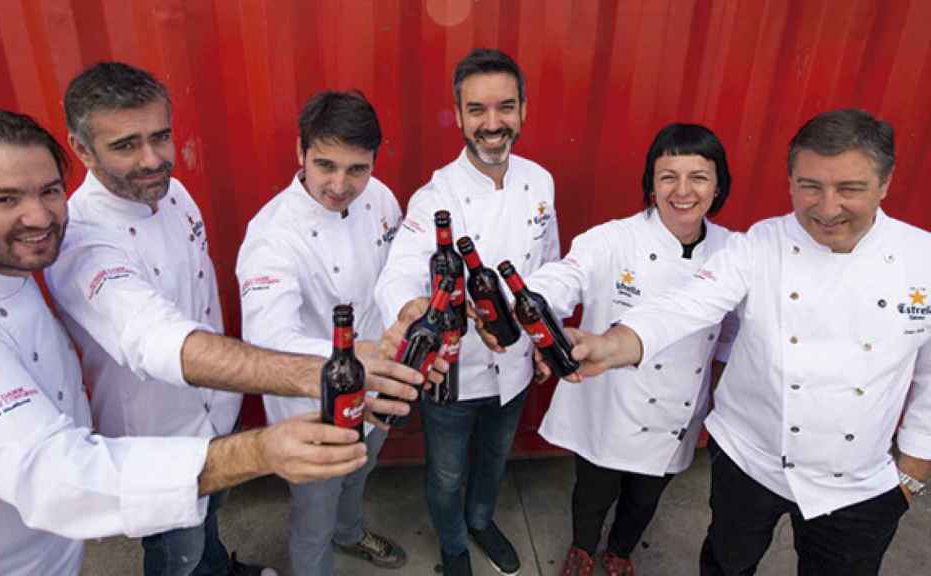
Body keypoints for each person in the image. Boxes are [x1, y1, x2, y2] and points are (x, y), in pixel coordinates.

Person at [0, 108, 375, 575]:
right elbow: (59, 471)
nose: (38, 215)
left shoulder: (6, 255)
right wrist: (265, 443)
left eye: (49, 191)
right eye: (4, 199)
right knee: (177, 551)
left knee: (205, 521)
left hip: (195, 431)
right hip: (4, 554)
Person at [45, 62, 420, 576]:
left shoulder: (173, 194)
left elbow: (391, 273)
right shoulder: (84, 240)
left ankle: (262, 556)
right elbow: (158, 338)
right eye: (126, 145)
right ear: (82, 149)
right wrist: (352, 369)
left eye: (160, 137)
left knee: (217, 522)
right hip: (162, 434)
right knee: (180, 549)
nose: (152, 159)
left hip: (230, 415)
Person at [566, 109, 931, 575]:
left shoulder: (922, 260)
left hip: (857, 486)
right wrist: (616, 345)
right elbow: (688, 304)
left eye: (850, 188)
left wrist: (910, 476)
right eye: (810, 185)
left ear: (885, 183)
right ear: (790, 180)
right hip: (748, 461)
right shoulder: (761, 244)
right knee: (724, 565)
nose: (826, 206)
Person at [375, 48, 560, 576]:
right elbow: (399, 275)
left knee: (496, 459)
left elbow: (548, 266)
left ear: (523, 109)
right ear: (458, 116)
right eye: (476, 110)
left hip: (518, 365)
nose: (492, 123)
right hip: (452, 376)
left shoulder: (540, 182)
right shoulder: (435, 196)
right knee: (447, 474)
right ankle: (454, 543)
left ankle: (480, 520)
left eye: (505, 107)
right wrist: (411, 311)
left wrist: (548, 337)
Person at [525, 124, 738, 576]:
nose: (682, 191)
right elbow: (564, 276)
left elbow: (735, 332)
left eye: (698, 176)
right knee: (593, 490)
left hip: (675, 411)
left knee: (647, 494)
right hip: (609, 399)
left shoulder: (734, 251)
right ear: (650, 183)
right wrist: (529, 303)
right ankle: (583, 549)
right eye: (668, 176)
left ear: (718, 184)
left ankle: (620, 551)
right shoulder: (611, 239)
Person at [236, 91, 407, 575]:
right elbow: (268, 338)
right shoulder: (272, 235)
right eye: (325, 165)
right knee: (313, 516)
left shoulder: (382, 199)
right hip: (311, 406)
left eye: (357, 169)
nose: (339, 184)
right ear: (300, 153)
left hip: (376, 390)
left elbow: (393, 276)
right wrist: (361, 357)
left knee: (361, 473)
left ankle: (350, 533)